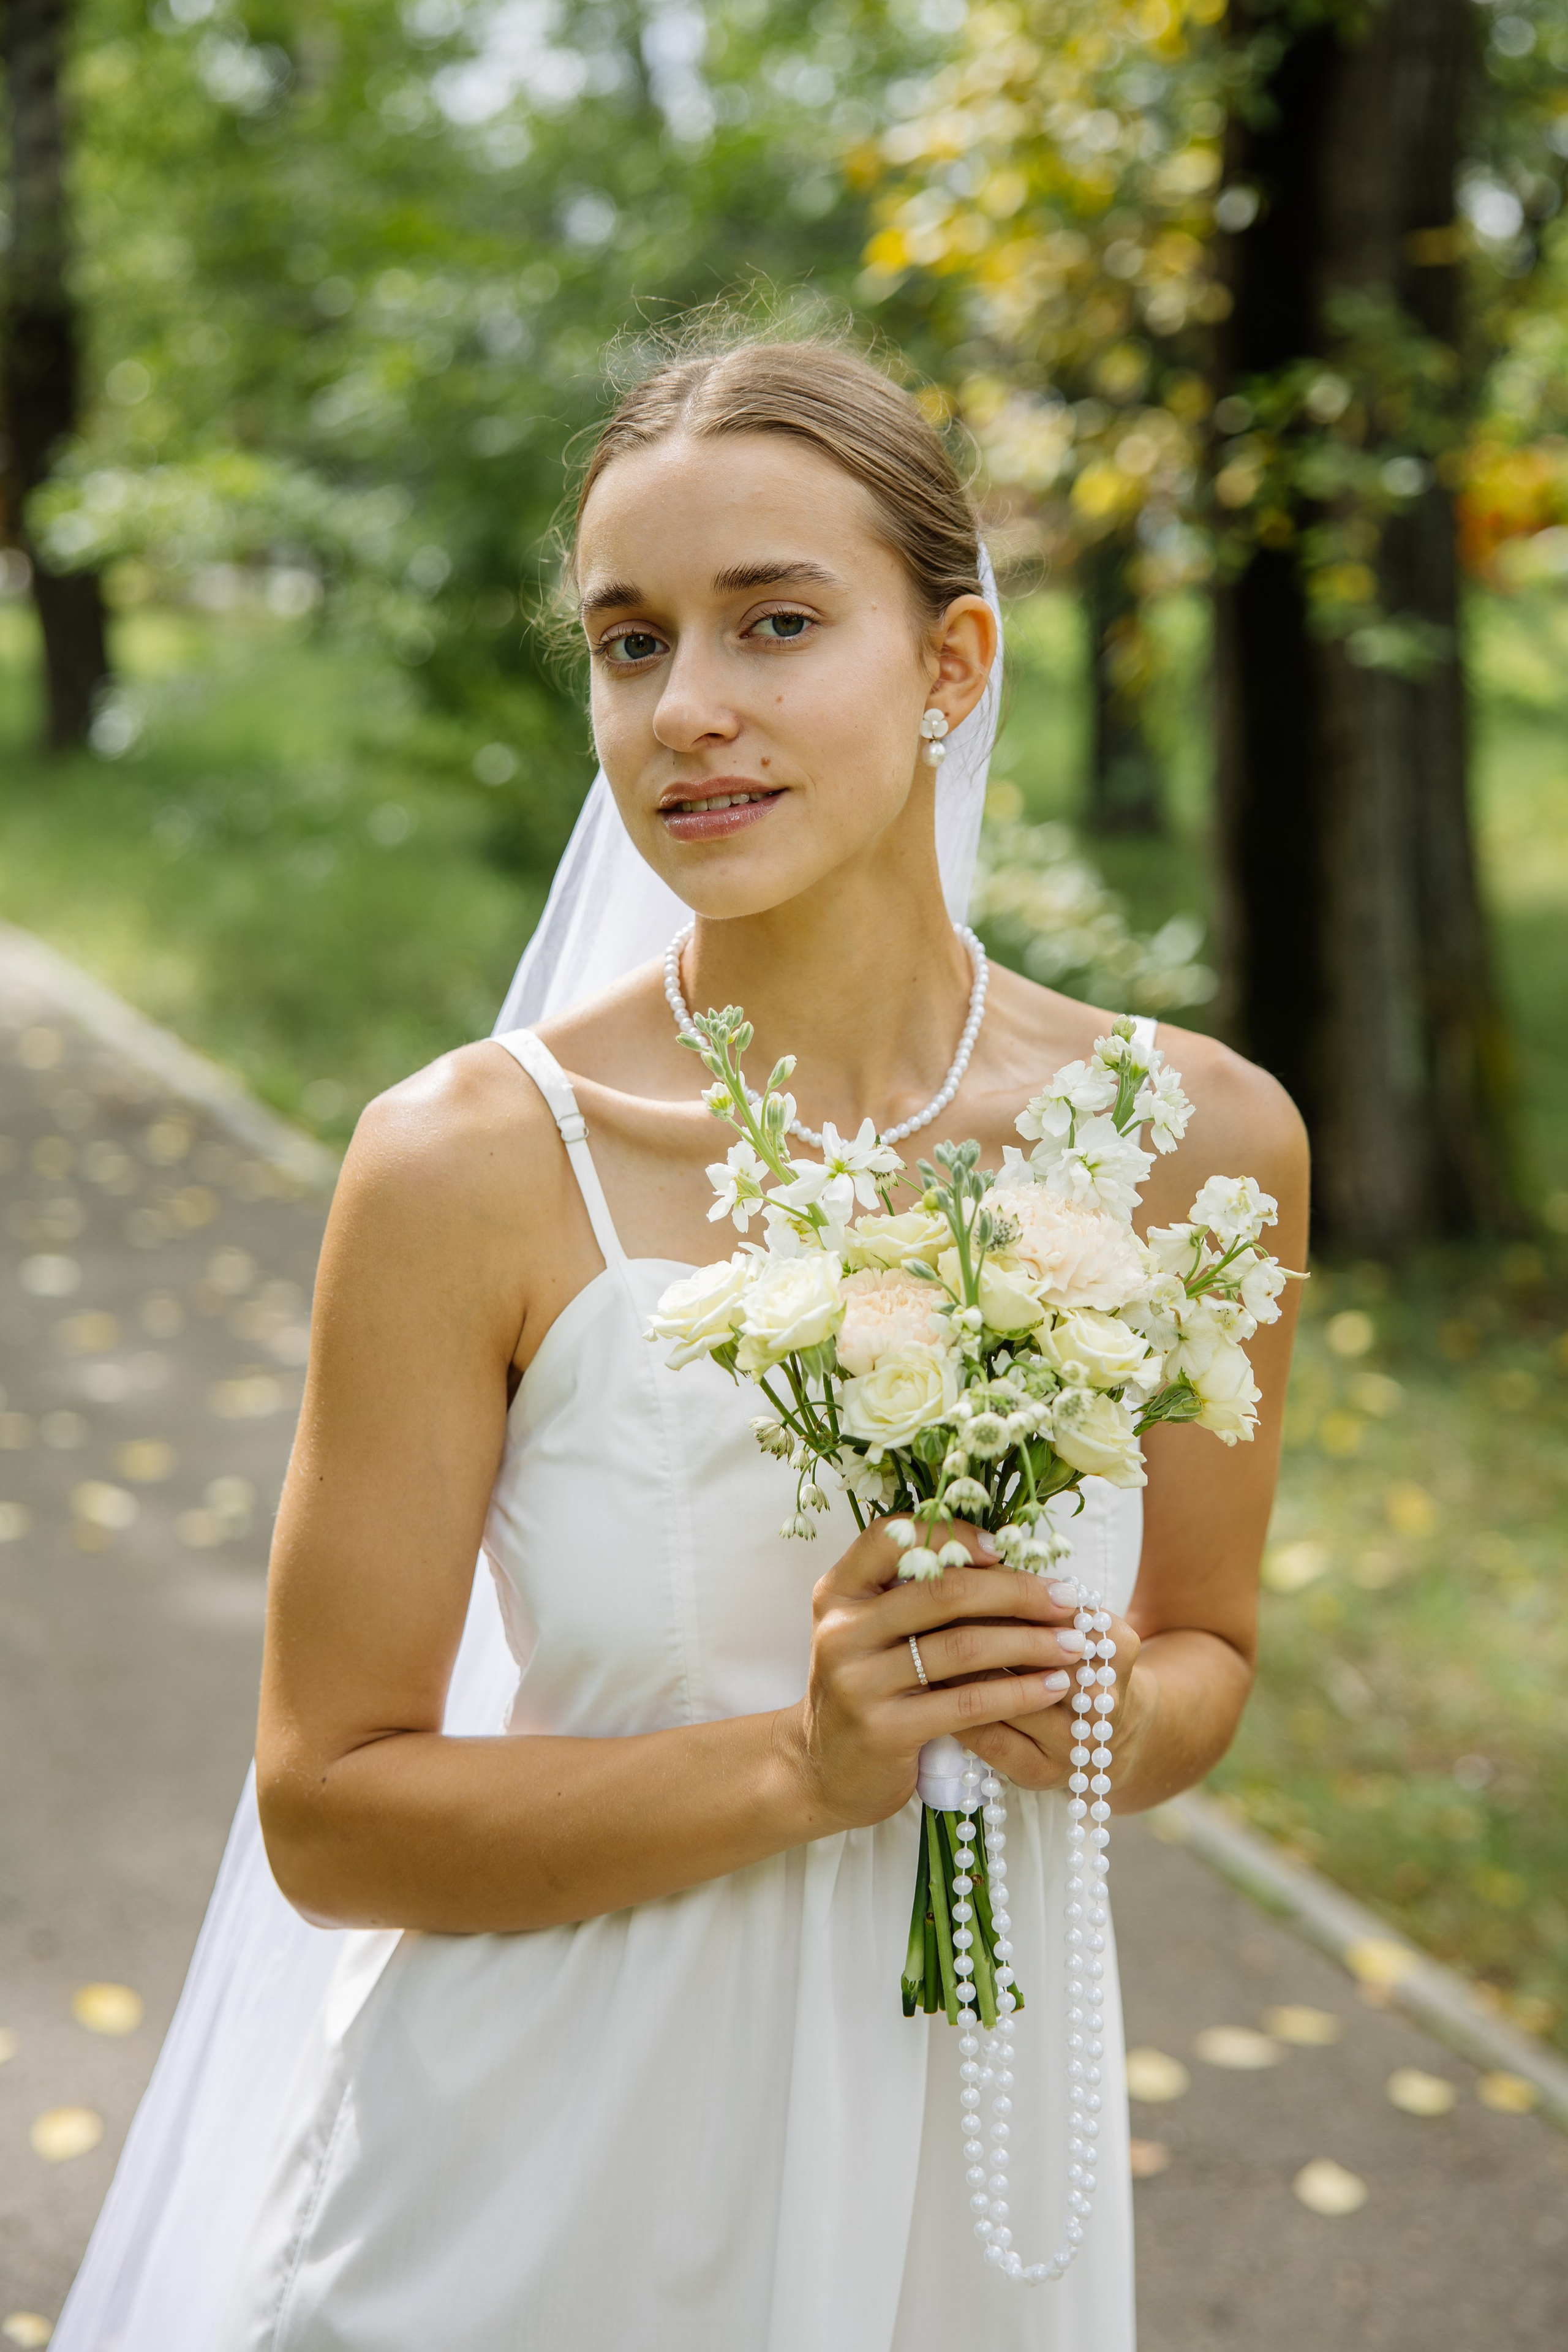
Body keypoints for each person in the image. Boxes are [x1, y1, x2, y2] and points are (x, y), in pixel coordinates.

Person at [59, 334, 1308, 2352]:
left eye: (778, 623)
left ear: (953, 665)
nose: (689, 711)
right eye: (630, 643)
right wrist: (805, 1768)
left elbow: (1206, 1655)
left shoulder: (1196, 1144)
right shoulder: (467, 1162)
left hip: (973, 2169)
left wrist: (1086, 1713)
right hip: (542, 2186)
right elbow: (328, 1811)